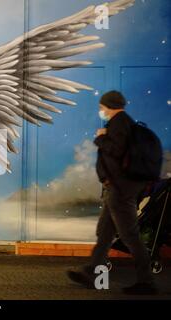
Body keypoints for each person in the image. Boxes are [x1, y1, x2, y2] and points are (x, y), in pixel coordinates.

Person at [67, 90, 157, 295]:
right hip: (115, 189)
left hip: (119, 190)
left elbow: (116, 151)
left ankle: (147, 281)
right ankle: (92, 274)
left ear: (110, 105)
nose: (100, 110)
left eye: (102, 106)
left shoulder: (119, 124)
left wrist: (100, 138)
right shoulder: (124, 123)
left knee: (130, 236)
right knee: (104, 234)